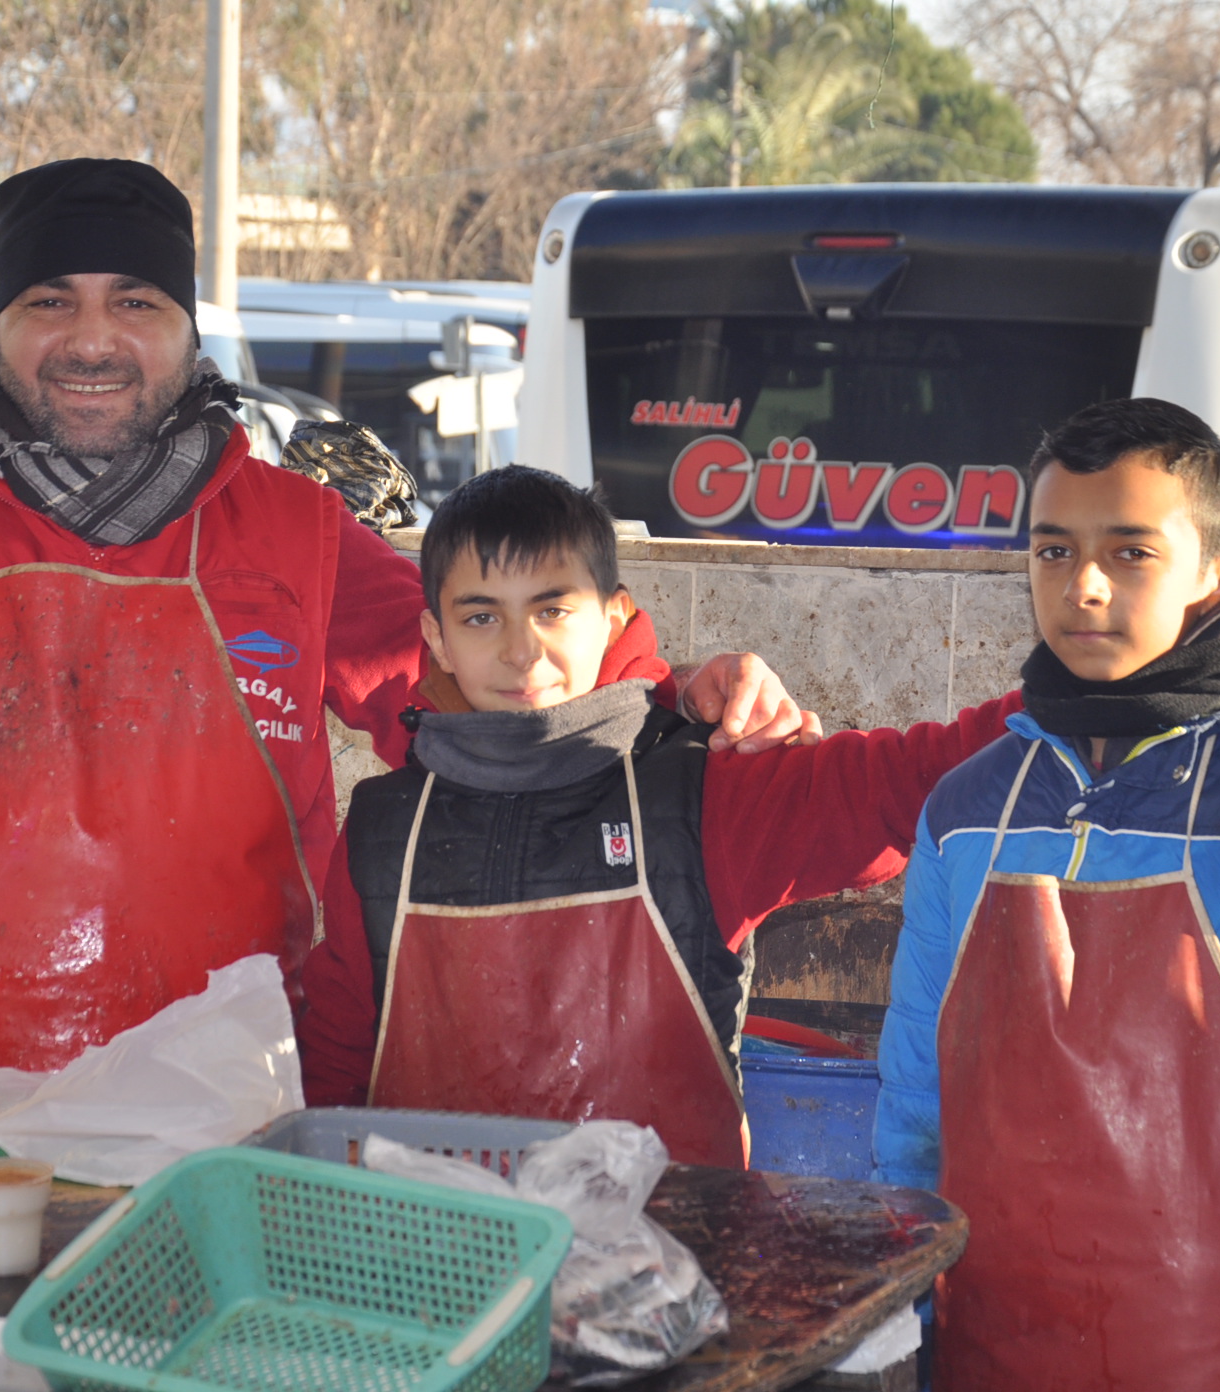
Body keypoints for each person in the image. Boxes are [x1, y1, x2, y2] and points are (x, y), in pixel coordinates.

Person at [0, 159, 810, 1084]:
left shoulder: (291, 534)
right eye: (48, 301)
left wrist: (689, 701)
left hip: (228, 1124)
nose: (93, 338)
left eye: (137, 303)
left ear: (186, 338)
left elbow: (521, 684)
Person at [874, 399, 1220, 1392]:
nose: (1081, 586)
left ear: (1218, 579)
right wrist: (899, 1315)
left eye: (1129, 552)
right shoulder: (965, 810)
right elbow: (913, 1108)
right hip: (988, 1352)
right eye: (1052, 550)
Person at [296, 465, 1020, 1167]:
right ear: (435, 639)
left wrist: (1079, 695)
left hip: (671, 1264)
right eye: (482, 616)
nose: (522, 651)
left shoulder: (703, 794)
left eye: (552, 609)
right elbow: (331, 1078)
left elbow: (916, 777)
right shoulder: (384, 831)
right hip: (448, 1270)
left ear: (613, 617)